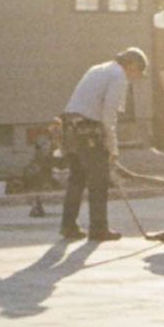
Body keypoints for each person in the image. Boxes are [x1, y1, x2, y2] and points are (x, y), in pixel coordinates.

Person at [58, 47, 147, 241]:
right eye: (138, 72)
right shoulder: (119, 76)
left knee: (77, 178)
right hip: (88, 129)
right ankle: (98, 229)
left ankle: (68, 226)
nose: (135, 78)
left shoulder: (98, 68)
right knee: (99, 181)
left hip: (70, 127)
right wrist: (113, 148)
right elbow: (109, 115)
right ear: (132, 65)